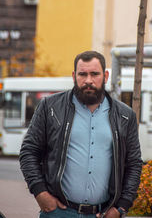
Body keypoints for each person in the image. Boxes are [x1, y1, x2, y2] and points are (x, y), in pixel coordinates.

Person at [19, 50, 142, 218]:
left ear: (105, 76)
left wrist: (121, 207)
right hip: (59, 212)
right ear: (73, 76)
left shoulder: (125, 115)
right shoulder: (51, 107)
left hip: (103, 213)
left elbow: (134, 163)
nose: (88, 80)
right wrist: (40, 193)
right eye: (82, 74)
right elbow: (29, 152)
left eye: (94, 74)